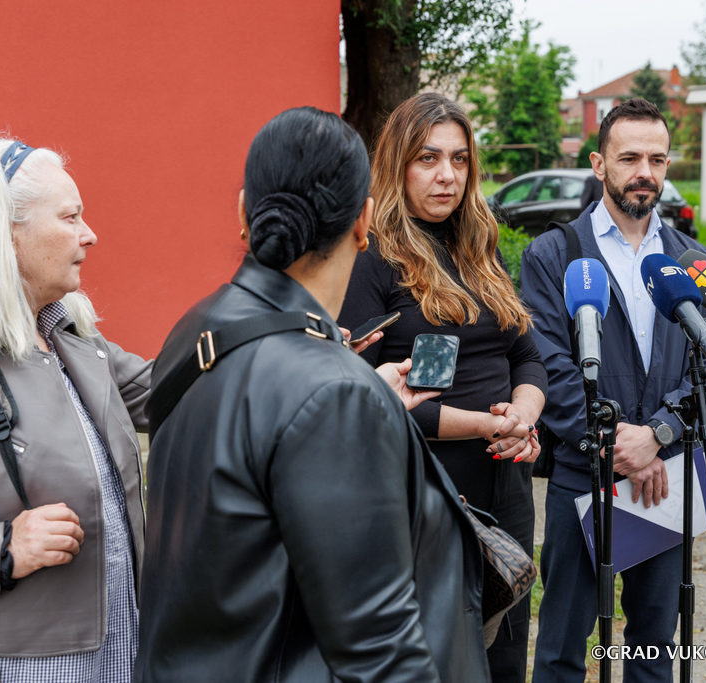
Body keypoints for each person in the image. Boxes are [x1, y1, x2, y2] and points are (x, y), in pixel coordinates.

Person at [134, 107, 490, 682]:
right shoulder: (333, 393)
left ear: (244, 211)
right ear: (364, 222)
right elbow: (379, 650)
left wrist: (363, 400)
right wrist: (350, 401)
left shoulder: (194, 328)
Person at [521, 98, 706, 683]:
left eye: (657, 160)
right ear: (599, 164)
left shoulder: (691, 261)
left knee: (652, 648)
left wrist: (658, 435)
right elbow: (548, 365)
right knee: (562, 646)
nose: (645, 172)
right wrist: (620, 446)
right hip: (583, 472)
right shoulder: (554, 254)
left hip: (665, 475)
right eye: (630, 158)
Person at [337, 92, 547, 682]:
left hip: (505, 483)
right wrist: (484, 425)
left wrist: (523, 416)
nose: (447, 175)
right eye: (428, 158)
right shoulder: (370, 256)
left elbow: (527, 355)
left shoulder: (479, 247)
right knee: (439, 658)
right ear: (398, 164)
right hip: (426, 488)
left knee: (504, 656)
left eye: (459, 159)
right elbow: (364, 396)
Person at [0, 138, 151, 683]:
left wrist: (293, 352)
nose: (90, 234)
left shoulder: (71, 338)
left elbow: (175, 391)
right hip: (16, 663)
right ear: (5, 233)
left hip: (121, 645)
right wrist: (1, 548)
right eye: (70, 217)